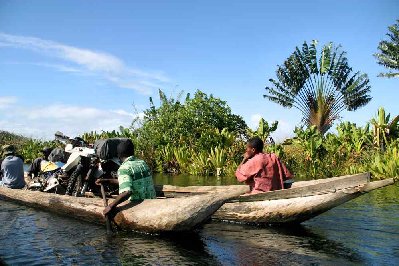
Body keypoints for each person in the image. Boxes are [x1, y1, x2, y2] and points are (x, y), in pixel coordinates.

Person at [96, 139, 156, 216]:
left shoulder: (124, 168)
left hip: (139, 204)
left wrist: (110, 206)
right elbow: (129, 181)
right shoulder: (142, 163)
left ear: (119, 155)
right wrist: (107, 180)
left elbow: (127, 192)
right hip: (152, 200)